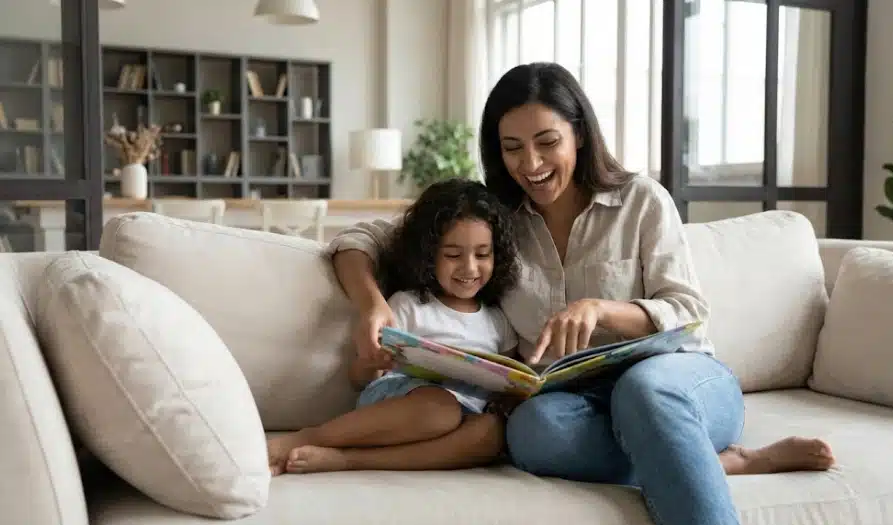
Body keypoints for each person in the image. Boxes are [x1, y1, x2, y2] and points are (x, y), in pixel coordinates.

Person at [325, 62, 835, 524]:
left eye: (547, 142)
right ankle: (714, 463)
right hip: (577, 404)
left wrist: (602, 310)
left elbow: (688, 312)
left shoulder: (641, 201)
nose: (530, 163)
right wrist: (372, 304)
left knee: (644, 392)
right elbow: (358, 239)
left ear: (580, 136)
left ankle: (692, 460)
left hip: (680, 384)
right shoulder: (497, 221)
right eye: (512, 148)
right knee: (529, 433)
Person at [267, 178, 521, 476]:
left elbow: (509, 379)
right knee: (441, 410)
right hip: (407, 404)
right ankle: (309, 437)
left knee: (491, 434)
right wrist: (369, 363)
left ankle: (347, 460)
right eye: (453, 255)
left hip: (465, 418)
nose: (469, 267)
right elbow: (361, 378)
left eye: (482, 254)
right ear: (429, 255)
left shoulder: (497, 319)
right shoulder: (408, 305)